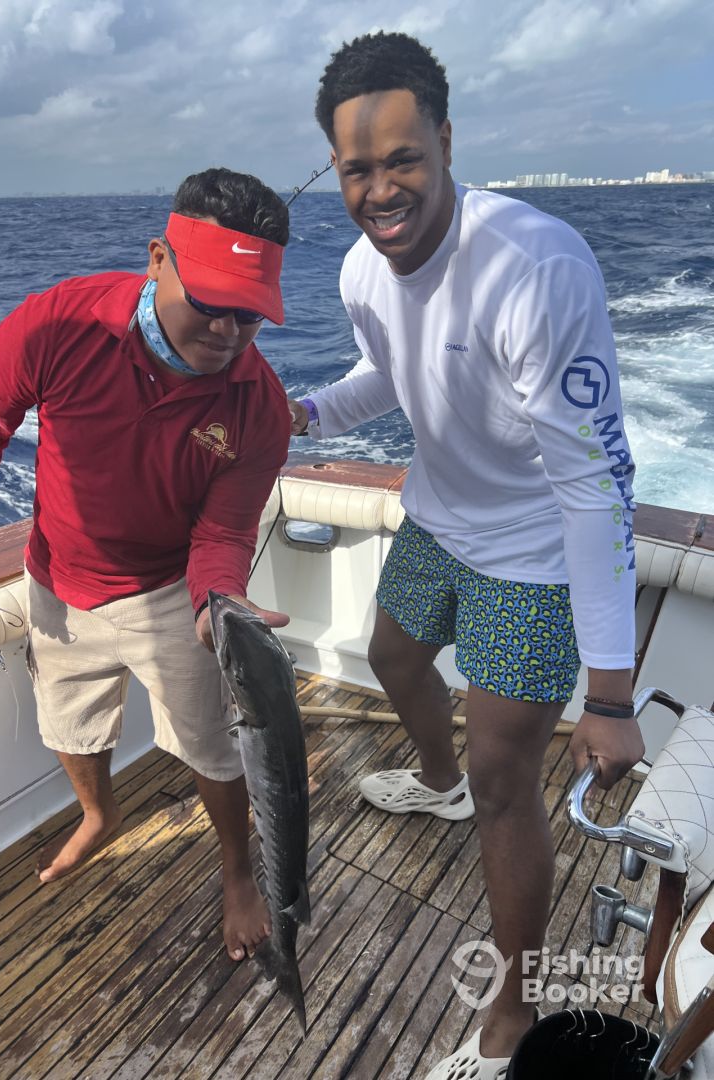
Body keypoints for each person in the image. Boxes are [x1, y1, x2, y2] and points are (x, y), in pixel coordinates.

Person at [288, 32, 644, 1079]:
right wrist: (303, 414)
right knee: (392, 657)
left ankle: (511, 1019)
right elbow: (390, 374)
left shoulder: (537, 268)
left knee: (505, 783)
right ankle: (435, 779)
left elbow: (597, 487)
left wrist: (611, 697)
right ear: (335, 168)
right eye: (358, 168)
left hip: (535, 554)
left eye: (404, 158)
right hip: (439, 519)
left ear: (447, 141)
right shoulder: (361, 268)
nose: (381, 190)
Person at [0, 167, 292, 963]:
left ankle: (238, 871)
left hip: (169, 591)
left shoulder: (259, 407)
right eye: (211, 300)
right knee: (68, 719)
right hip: (57, 577)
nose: (228, 331)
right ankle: (99, 814)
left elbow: (223, 533)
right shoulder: (59, 322)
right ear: (158, 258)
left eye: (250, 313)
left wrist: (219, 601)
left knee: (211, 745)